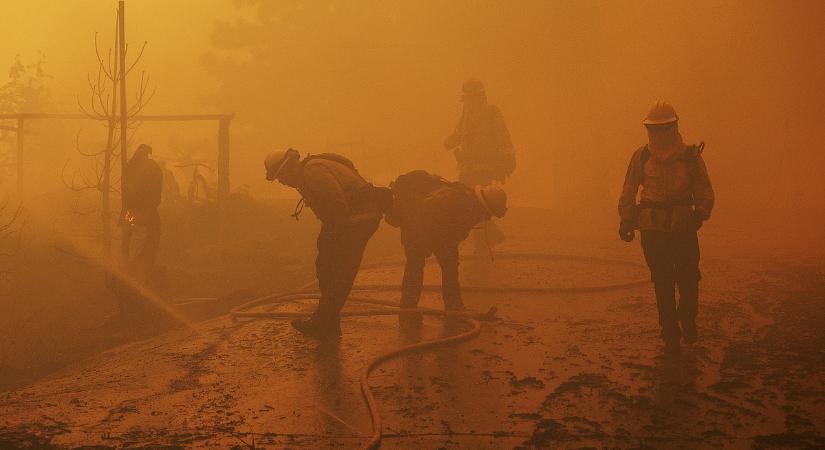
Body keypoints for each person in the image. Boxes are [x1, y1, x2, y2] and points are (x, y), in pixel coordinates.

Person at [618, 101, 715, 353]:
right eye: (654, 129)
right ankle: (669, 330)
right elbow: (628, 191)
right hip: (652, 231)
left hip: (683, 228)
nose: (658, 135)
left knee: (689, 279)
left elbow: (704, 191)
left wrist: (699, 215)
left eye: (664, 129)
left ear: (674, 127)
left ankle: (687, 319)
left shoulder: (690, 157)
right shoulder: (642, 157)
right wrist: (626, 221)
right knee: (662, 281)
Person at [264, 148, 391, 340]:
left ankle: (324, 322)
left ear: (289, 166)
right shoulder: (308, 173)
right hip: (351, 219)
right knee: (327, 267)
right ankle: (328, 323)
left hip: (356, 220)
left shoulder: (312, 171)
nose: (282, 182)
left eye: (280, 176)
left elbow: (335, 201)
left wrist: (335, 234)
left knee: (339, 271)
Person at [384, 170, 507, 323]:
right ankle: (408, 309)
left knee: (448, 265)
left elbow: (448, 229)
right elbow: (427, 217)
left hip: (434, 231)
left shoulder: (466, 201)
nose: (487, 218)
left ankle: (452, 306)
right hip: (416, 228)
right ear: (485, 206)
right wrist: (426, 244)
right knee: (416, 266)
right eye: (489, 213)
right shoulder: (459, 202)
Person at [444, 78, 515, 254]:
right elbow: (459, 134)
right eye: (466, 99)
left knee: (479, 205)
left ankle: (483, 244)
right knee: (468, 204)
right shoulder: (466, 113)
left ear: (480, 96)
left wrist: (508, 161)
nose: (468, 102)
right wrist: (449, 142)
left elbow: (503, 137)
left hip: (485, 169)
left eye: (471, 98)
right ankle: (487, 240)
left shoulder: (492, 113)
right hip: (466, 168)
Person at [122, 143, 163, 278]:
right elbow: (157, 191)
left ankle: (129, 265)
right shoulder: (152, 168)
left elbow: (126, 190)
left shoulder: (130, 167)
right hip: (145, 211)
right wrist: (151, 206)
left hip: (132, 210)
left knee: (129, 236)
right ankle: (141, 266)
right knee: (150, 235)